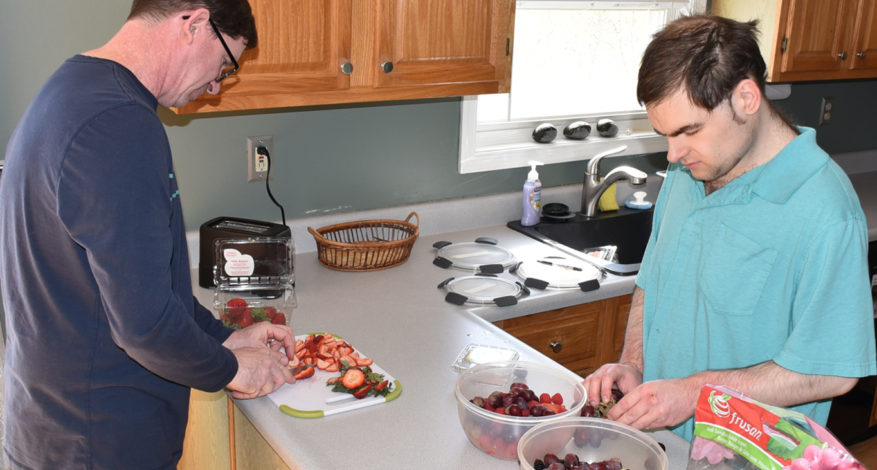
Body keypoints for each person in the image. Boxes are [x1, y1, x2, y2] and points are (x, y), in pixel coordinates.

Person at [0, 1, 298, 468]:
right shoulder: (118, 126)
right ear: (195, 23)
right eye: (225, 63)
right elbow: (145, 326)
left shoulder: (73, 90)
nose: (217, 86)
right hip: (99, 442)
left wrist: (221, 338)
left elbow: (141, 286)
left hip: (56, 427)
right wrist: (234, 369)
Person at [583, 15, 877, 441]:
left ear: (746, 98)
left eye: (689, 130)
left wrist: (694, 393)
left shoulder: (826, 211)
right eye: (665, 134)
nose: (673, 152)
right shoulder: (688, 174)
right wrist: (634, 364)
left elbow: (830, 372)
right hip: (662, 446)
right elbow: (654, 280)